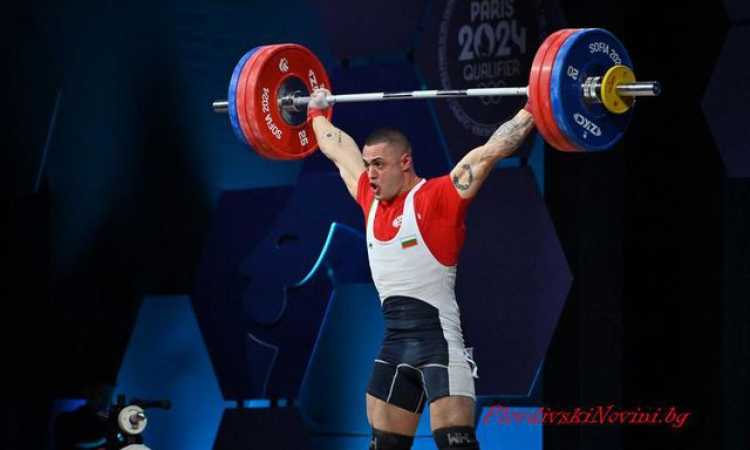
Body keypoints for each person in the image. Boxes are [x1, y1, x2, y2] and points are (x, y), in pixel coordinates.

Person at [307, 88, 535, 450]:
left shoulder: (438, 198)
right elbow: (337, 148)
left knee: (457, 445)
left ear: (405, 162)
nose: (370, 174)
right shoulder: (369, 198)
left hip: (441, 348)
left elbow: (491, 151)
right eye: (367, 164)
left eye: (378, 164)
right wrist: (316, 113)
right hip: (393, 348)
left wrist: (535, 105)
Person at [54, 381, 115, 450]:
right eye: (101, 394)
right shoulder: (66, 420)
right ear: (88, 394)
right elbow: (72, 443)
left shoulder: (108, 419)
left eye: (109, 396)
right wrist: (105, 438)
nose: (106, 400)